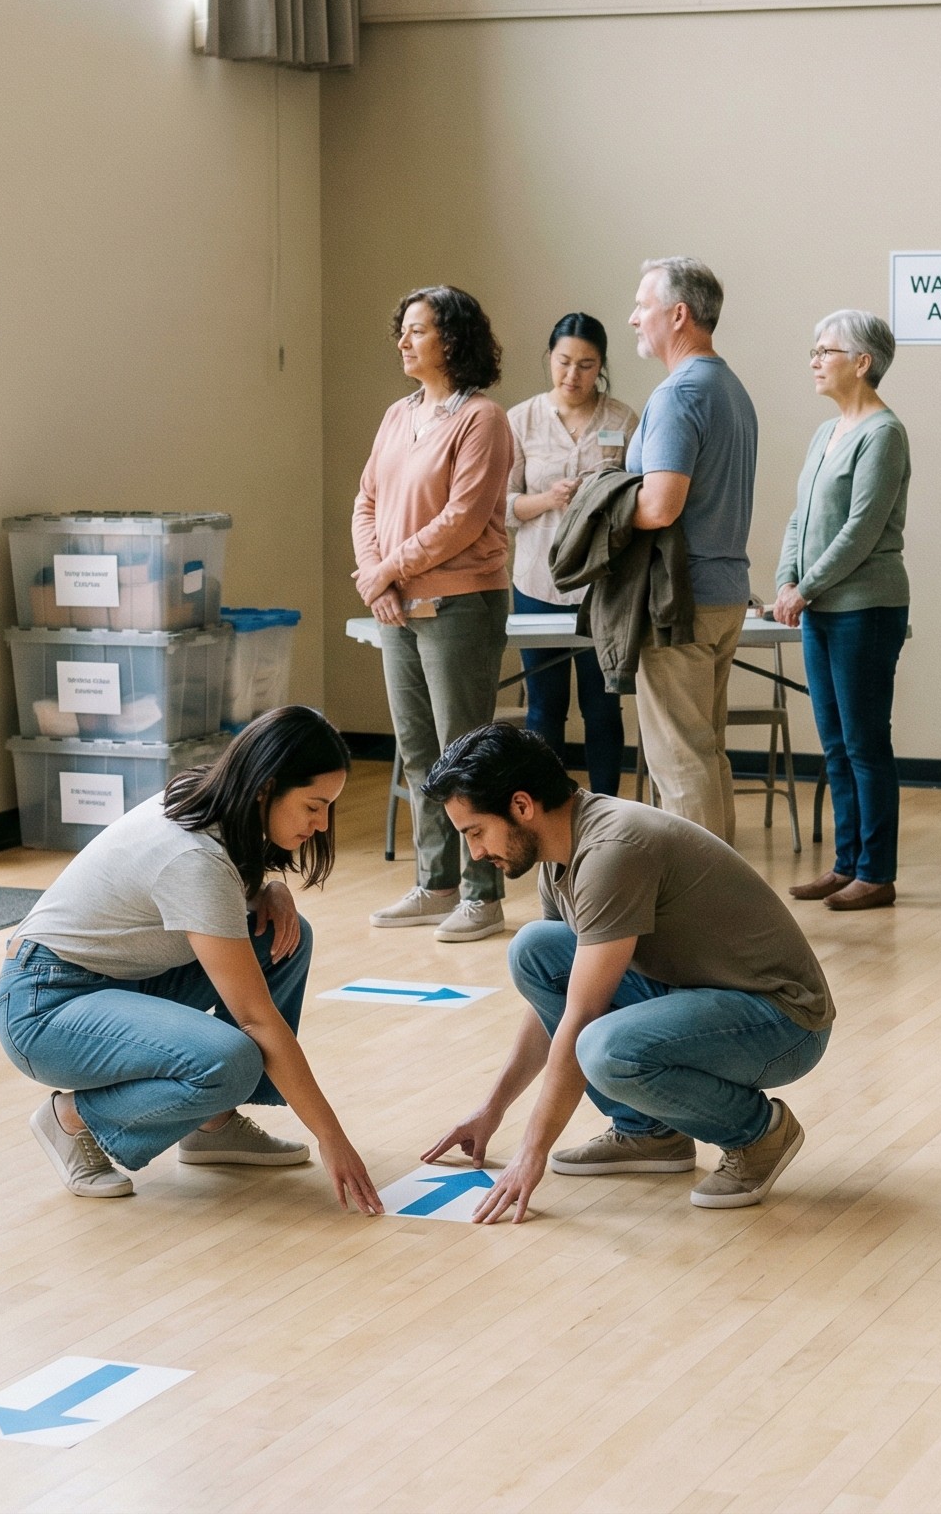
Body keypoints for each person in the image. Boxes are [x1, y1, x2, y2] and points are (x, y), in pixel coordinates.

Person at [418, 725, 835, 1221]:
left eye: (475, 832)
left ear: (522, 806)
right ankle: (649, 1133)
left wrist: (532, 1153)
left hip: (781, 1020)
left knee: (605, 1049)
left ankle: (759, 1133)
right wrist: (494, 1108)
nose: (476, 853)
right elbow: (561, 1001)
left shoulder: (612, 851)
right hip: (702, 996)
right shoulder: (559, 855)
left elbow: (580, 1019)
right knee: (534, 949)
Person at [0, 706, 384, 1209]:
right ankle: (73, 1119)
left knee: (284, 938)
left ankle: (212, 1125)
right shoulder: (193, 859)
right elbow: (256, 1019)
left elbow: (220, 891)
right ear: (265, 787)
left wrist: (269, 889)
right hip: (45, 1005)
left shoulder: (215, 799)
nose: (322, 822)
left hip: (117, 978)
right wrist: (334, 1138)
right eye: (313, 805)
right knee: (231, 1058)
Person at [352, 285, 516, 942]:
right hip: (398, 606)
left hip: (461, 605)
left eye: (416, 330)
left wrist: (387, 570)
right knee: (419, 751)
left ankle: (484, 893)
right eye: (403, 330)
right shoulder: (397, 415)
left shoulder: (483, 420)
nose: (402, 341)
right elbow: (366, 503)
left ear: (450, 340)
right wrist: (376, 580)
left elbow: (462, 519)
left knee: (464, 753)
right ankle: (435, 883)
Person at [771, 311, 911, 912]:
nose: (814, 360)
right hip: (822, 606)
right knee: (833, 742)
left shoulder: (884, 433)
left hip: (866, 607)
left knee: (863, 742)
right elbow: (801, 517)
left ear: (862, 361)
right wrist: (785, 579)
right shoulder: (824, 433)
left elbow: (860, 530)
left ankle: (876, 872)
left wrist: (806, 588)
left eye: (825, 350)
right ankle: (847, 863)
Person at [624, 256, 757, 842]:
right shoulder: (730, 388)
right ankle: (728, 901)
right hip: (724, 594)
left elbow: (660, 506)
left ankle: (704, 913)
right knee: (706, 754)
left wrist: (600, 505)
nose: (633, 318)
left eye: (643, 305)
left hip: (680, 601)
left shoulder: (679, 394)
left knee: (680, 764)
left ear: (678, 315)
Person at [504, 313, 639, 794]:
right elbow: (500, 507)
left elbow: (638, 498)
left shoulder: (622, 419)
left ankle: (606, 813)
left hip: (602, 585)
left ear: (601, 365)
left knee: (603, 702)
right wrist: (549, 499)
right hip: (537, 583)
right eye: (564, 362)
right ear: (549, 358)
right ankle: (546, 809)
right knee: (545, 705)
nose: (573, 375)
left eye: (586, 365)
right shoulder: (519, 420)